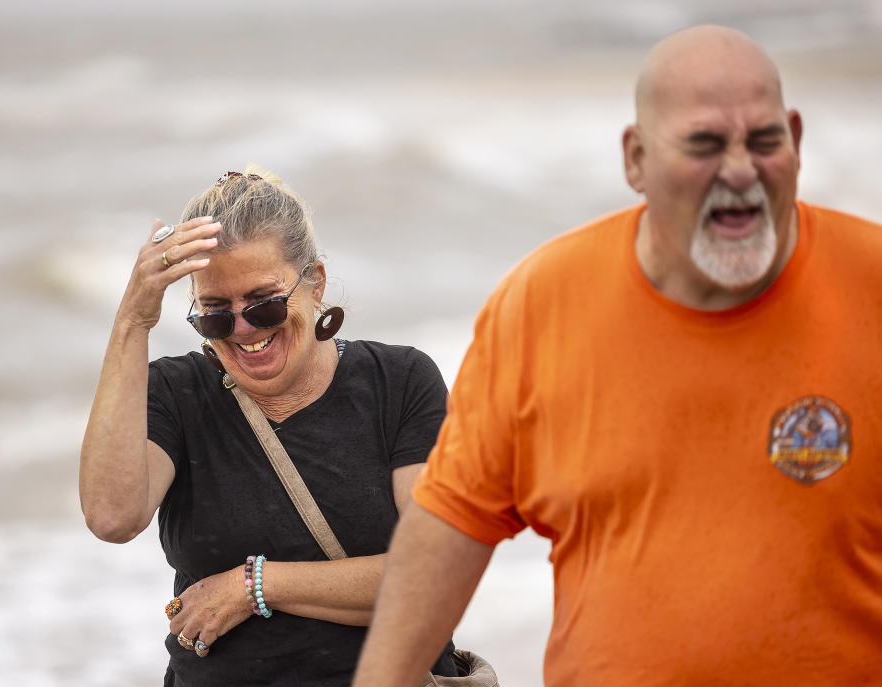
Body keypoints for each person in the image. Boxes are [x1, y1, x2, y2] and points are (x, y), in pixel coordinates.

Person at [353, 25, 882, 687]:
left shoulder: (872, 286)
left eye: (764, 140)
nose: (741, 169)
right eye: (705, 143)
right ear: (635, 158)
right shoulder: (540, 304)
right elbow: (451, 523)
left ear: (796, 141)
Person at [79, 167, 458, 685]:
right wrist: (132, 322)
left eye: (265, 304)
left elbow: (434, 577)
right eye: (214, 314)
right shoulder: (175, 394)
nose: (242, 329)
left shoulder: (400, 382)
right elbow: (111, 517)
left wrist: (254, 585)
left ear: (316, 283)